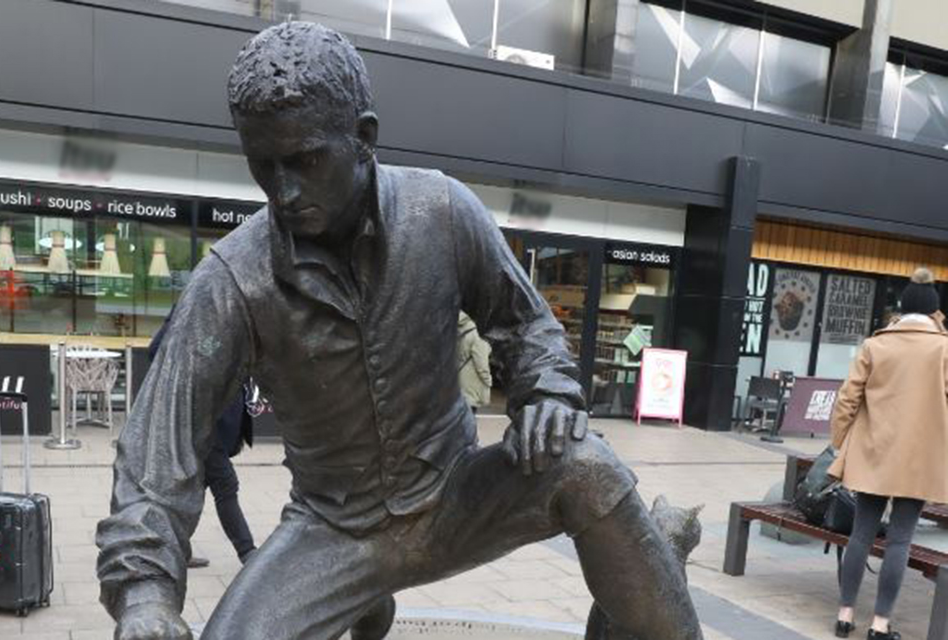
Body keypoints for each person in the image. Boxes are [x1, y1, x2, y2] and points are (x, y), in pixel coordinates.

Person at [95, 21, 702, 640]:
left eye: (305, 160)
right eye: (264, 166)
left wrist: (547, 391)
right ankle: (367, 599)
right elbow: (154, 456)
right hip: (332, 534)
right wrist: (145, 593)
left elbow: (525, 324)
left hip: (459, 496)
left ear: (363, 137)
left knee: (586, 465)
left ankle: (657, 574)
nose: (283, 191)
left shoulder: (440, 212)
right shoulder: (231, 281)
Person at [830, 267, 948, 640]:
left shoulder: (875, 344)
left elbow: (847, 398)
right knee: (900, 540)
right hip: (919, 459)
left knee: (861, 536)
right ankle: (880, 625)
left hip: (872, 452)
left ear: (900, 309)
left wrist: (841, 442)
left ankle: (845, 615)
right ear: (933, 312)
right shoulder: (943, 348)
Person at [148, 312, 257, 567]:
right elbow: (155, 352)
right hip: (206, 426)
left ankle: (171, 549)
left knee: (194, 491)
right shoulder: (189, 312)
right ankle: (248, 553)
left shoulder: (233, 307)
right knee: (226, 486)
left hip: (219, 424)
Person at [457, 311, 492, 413]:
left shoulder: (461, 330)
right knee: (470, 412)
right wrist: (488, 380)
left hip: (461, 376)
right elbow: (481, 364)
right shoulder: (478, 335)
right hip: (472, 379)